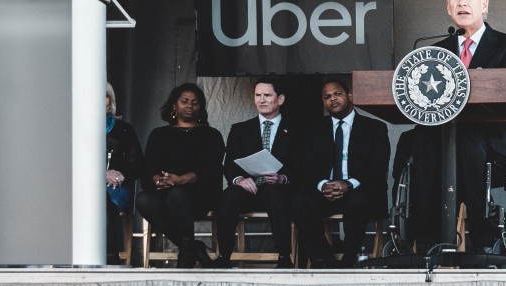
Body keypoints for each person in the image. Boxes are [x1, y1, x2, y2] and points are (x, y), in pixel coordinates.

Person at [410, 0, 506, 251]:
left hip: (493, 132)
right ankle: (427, 241)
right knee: (420, 137)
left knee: (468, 138)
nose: (461, 3)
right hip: (445, 133)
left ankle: (481, 236)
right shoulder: (435, 51)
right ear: (448, 8)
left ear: (484, 4)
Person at [293, 78, 391, 268]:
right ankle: (324, 259)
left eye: (337, 94)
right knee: (299, 202)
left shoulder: (374, 128)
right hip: (326, 191)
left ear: (350, 96)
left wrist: (348, 184)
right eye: (327, 97)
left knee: (358, 202)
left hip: (359, 190)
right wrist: (323, 185)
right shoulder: (314, 129)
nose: (333, 99)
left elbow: (378, 167)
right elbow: (305, 166)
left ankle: (348, 260)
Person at [136, 83, 224, 268]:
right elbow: (148, 168)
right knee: (143, 200)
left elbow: (212, 169)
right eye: (184, 101)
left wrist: (182, 179)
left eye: (195, 102)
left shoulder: (211, 135)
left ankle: (186, 253)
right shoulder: (159, 134)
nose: (190, 106)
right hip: (166, 192)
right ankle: (191, 246)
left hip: (199, 194)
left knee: (178, 194)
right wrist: (157, 180)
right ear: (174, 105)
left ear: (201, 107)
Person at [214, 79, 299, 268]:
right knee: (229, 196)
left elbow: (303, 166)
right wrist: (239, 179)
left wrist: (283, 178)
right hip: (249, 187)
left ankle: (284, 257)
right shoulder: (240, 129)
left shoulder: (296, 130)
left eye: (267, 95)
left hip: (278, 189)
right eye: (258, 95)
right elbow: (230, 163)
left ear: (281, 99)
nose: (262, 100)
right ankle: (223, 256)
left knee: (276, 194)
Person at [104, 82, 144, 263]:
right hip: (84, 188)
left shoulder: (124, 129)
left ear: (109, 100)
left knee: (103, 202)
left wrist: (119, 173)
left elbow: (138, 164)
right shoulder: (75, 127)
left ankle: (110, 257)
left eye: (103, 96)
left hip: (117, 188)